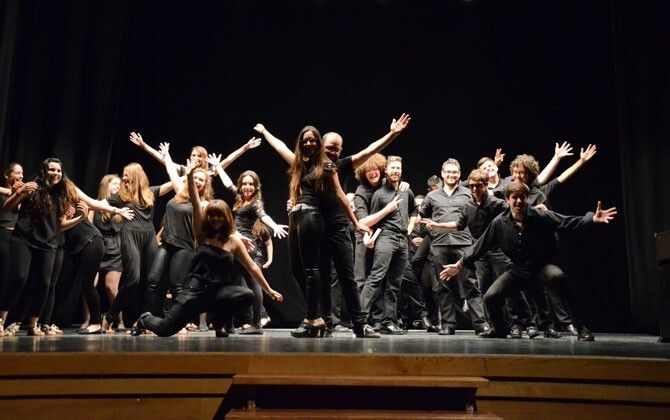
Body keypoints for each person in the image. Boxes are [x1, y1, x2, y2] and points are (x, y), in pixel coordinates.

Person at [440, 181, 617, 341]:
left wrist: (592, 219)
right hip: (518, 269)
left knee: (558, 277)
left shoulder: (539, 216)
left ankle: (582, 328)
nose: (518, 202)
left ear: (527, 199)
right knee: (491, 297)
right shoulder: (499, 222)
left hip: (540, 267)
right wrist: (459, 265)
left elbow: (566, 222)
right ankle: (500, 330)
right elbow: (480, 246)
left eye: (522, 197)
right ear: (508, 200)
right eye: (514, 198)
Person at [135, 162, 283, 337]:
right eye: (211, 215)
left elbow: (252, 267)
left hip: (218, 294)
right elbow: (196, 203)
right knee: (164, 330)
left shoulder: (233, 242)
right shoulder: (201, 235)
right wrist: (190, 176)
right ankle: (144, 318)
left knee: (246, 294)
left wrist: (269, 290)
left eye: (219, 215)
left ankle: (219, 323)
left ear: (226, 217)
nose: (215, 218)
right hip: (194, 293)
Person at [254, 123, 371, 338]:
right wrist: (264, 132)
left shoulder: (328, 166)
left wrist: (355, 222)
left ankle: (346, 323)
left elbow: (341, 195)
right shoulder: (299, 164)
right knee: (301, 271)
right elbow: (280, 147)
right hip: (302, 220)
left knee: (332, 275)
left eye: (312, 140)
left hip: (320, 221)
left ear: (319, 142)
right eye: (305, 140)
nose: (309, 143)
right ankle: (321, 320)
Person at [1, 158, 131, 336]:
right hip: (27, 238)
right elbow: (8, 207)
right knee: (20, 277)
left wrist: (115, 211)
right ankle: (2, 321)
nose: (55, 173)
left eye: (59, 170)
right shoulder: (33, 187)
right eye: (51, 170)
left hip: (52, 242)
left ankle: (34, 324)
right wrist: (19, 192)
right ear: (44, 171)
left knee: (47, 283)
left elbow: (88, 207)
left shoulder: (64, 192)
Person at [101, 162, 174, 332]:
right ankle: (110, 316)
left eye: (126, 174)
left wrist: (185, 171)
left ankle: (145, 320)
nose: (123, 178)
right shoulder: (120, 197)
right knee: (133, 278)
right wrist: (116, 211)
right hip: (130, 235)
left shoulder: (150, 193)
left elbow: (173, 184)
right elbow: (99, 203)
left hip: (149, 236)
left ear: (136, 176)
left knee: (153, 280)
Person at [419, 159, 488, 336]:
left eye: (455, 172)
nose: (451, 175)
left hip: (463, 243)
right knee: (442, 286)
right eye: (448, 172)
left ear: (459, 174)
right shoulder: (432, 196)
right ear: (442, 174)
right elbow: (421, 217)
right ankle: (448, 324)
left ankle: (480, 324)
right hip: (439, 244)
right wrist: (428, 229)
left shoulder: (468, 193)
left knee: (470, 284)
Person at [358, 156, 418, 334]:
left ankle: (389, 322)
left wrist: (410, 227)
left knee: (394, 284)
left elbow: (415, 210)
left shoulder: (406, 191)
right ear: (386, 170)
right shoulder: (379, 194)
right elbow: (371, 221)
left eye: (398, 168)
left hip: (402, 240)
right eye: (393, 168)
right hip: (386, 238)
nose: (396, 171)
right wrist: (370, 237)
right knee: (376, 278)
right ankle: (360, 319)